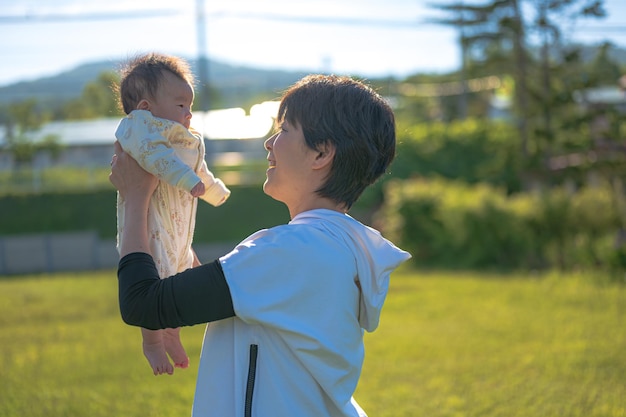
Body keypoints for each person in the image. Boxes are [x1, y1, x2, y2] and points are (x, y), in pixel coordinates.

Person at [110, 74, 411, 416]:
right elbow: (231, 295)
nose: (270, 143)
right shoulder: (336, 246)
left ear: (322, 153)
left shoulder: (291, 250)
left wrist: (135, 198)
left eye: (283, 130)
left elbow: (143, 304)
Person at [114, 52, 230, 376]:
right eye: (181, 105)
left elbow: (199, 169)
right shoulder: (140, 128)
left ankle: (173, 333)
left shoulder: (185, 138)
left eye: (190, 106)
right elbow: (158, 159)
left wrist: (213, 189)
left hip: (177, 228)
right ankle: (152, 342)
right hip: (149, 227)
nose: (188, 114)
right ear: (147, 107)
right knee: (155, 284)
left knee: (180, 282)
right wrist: (188, 180)